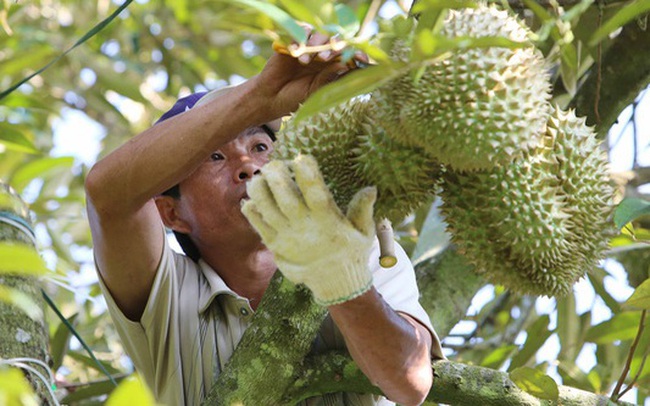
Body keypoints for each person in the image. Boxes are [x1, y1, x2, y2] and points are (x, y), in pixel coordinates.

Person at [85, 31, 444, 406]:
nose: (248, 166)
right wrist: (262, 96)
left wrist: (341, 276)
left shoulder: (358, 247)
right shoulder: (169, 295)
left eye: (260, 147)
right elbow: (106, 195)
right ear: (171, 213)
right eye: (216, 157)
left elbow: (411, 382)